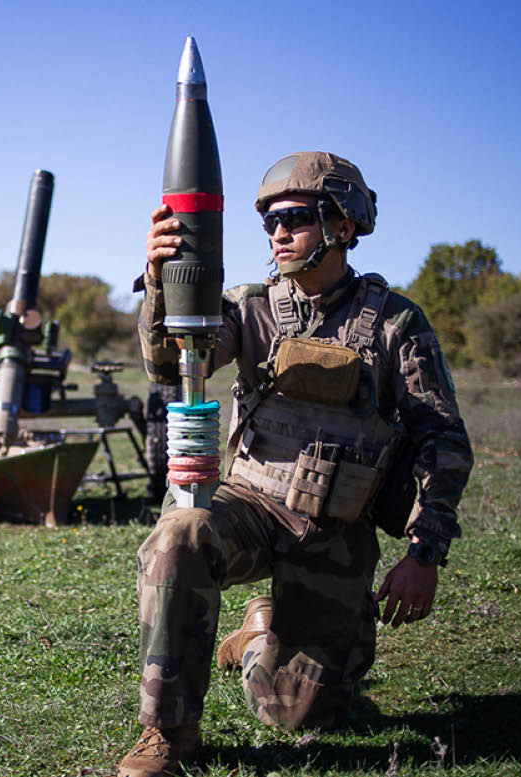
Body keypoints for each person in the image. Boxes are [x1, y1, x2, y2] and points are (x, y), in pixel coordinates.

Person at [118, 152, 474, 777]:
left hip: (336, 532)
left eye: (297, 218)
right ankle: (168, 735)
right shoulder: (250, 308)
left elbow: (442, 438)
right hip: (250, 507)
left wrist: (424, 554)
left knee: (298, 713)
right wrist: (161, 283)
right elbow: (172, 364)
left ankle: (259, 635)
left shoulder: (396, 323)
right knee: (179, 535)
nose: (279, 233)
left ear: (342, 225)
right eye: (270, 222)